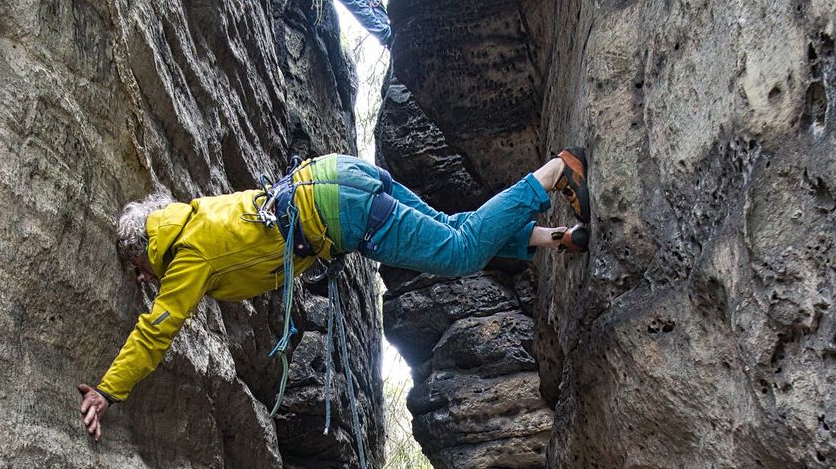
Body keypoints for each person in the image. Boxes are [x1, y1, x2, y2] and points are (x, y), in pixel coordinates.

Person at [78, 149, 591, 441]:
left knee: (459, 251)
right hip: (335, 176)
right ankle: (557, 237)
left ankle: (554, 172)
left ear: (147, 252)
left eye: (140, 267)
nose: (145, 278)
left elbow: (156, 330)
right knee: (453, 228)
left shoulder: (188, 257)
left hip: (340, 210)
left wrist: (108, 389)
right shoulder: (191, 218)